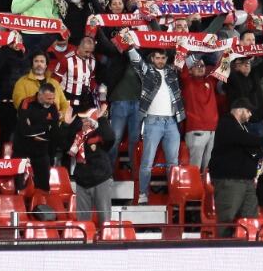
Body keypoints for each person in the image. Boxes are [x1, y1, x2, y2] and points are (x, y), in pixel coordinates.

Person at [125, 38, 184, 204]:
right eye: (157, 58)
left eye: (163, 58)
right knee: (147, 162)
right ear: (152, 58)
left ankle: (174, 195)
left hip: (172, 122)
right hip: (152, 121)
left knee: (173, 163)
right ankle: (143, 194)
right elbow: (135, 60)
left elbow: (190, 58)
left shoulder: (173, 71)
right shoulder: (147, 71)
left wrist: (200, 42)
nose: (160, 61)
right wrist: (129, 43)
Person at [211, 103, 263, 235]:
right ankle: (223, 250)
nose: (250, 115)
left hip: (247, 181)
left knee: (250, 219)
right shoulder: (227, 123)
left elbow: (251, 146)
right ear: (240, 110)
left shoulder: (244, 127)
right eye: (248, 111)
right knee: (227, 219)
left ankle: (250, 250)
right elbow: (242, 139)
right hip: (230, 181)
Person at [65, 109, 117, 228]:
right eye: (83, 119)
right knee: (82, 222)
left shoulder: (100, 133)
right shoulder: (77, 135)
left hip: (101, 179)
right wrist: (66, 125)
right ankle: (85, 243)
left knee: (104, 220)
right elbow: (64, 144)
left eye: (87, 119)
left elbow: (110, 138)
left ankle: (105, 243)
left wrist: (102, 119)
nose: (84, 121)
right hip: (82, 181)